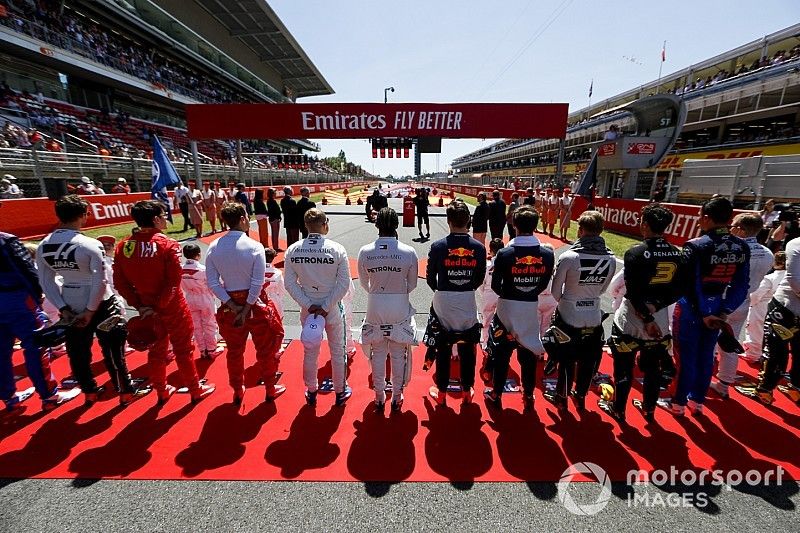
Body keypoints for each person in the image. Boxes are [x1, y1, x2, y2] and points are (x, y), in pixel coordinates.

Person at [37, 195, 151, 406]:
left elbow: (46, 282)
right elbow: (101, 281)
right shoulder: (90, 244)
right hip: (101, 303)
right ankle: (125, 390)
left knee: (77, 351)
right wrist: (90, 310)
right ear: (82, 215)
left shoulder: (43, 245)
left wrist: (63, 308)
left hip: (69, 302)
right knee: (113, 350)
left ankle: (89, 391)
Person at [114, 200, 215, 405]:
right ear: (156, 219)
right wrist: (160, 305)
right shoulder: (167, 244)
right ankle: (195, 390)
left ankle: (161, 390)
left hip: (146, 308)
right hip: (171, 307)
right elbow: (173, 281)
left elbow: (120, 283)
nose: (166, 218)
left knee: (157, 351)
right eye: (163, 215)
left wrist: (140, 306)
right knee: (183, 349)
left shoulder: (124, 246)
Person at [601, 204, 685, 423]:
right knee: (653, 368)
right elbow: (679, 290)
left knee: (623, 368)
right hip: (659, 319)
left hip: (631, 318)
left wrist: (646, 315)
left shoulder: (635, 253)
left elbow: (634, 290)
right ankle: (649, 409)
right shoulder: (678, 254)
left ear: (645, 224)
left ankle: (619, 409)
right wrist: (655, 308)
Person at [667, 197, 749, 416]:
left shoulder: (696, 245)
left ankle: (678, 403)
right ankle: (698, 401)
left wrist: (703, 312)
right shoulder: (741, 246)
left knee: (685, 356)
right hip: (718, 307)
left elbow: (689, 284)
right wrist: (723, 311)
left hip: (692, 309)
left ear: (705, 217)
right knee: (706, 356)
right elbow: (742, 285)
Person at [206, 202, 285, 404]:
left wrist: (233, 306)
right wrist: (247, 307)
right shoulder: (254, 246)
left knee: (234, 352)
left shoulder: (214, 247)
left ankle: (238, 389)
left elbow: (213, 282)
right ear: (242, 219)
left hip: (229, 306)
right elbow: (258, 282)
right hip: (255, 305)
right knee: (265, 350)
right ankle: (269, 388)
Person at [483, 206, 554, 410]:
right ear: (535, 225)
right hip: (531, 305)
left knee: (501, 354)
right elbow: (542, 284)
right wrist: (527, 292)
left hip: (506, 308)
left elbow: (496, 286)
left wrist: (512, 293)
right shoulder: (547, 255)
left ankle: (496, 394)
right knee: (529, 353)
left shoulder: (504, 254)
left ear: (514, 225)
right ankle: (529, 395)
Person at [545, 210, 616, 412]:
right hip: (593, 312)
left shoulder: (569, 256)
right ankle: (581, 395)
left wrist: (569, 301)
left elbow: (555, 290)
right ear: (601, 231)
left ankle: (561, 396)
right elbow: (603, 290)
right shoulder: (611, 259)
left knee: (567, 359)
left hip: (569, 313)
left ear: (581, 230)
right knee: (587, 361)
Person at [284, 208, 352, 407]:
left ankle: (311, 390)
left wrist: (309, 305)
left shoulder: (293, 249)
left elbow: (290, 284)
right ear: (325, 225)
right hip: (331, 308)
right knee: (338, 352)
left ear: (306, 226)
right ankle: (340, 391)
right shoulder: (337, 249)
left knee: (310, 352)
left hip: (309, 309)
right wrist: (326, 305)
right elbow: (343, 284)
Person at [0, 231, 75, 412]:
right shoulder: (6, 240)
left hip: (10, 300)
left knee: (1, 353)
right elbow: (27, 269)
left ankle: (10, 398)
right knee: (36, 346)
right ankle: (50, 396)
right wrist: (38, 296)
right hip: (17, 300)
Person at [357, 207, 418, 412]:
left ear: (377, 225)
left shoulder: (365, 251)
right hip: (399, 304)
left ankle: (379, 397)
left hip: (375, 304)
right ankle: (397, 397)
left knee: (378, 353)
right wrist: (397, 290)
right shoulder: (409, 251)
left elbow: (364, 283)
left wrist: (379, 290)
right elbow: (413, 285)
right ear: (397, 225)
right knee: (399, 354)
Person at [426, 200, 487, 405]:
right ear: (468, 221)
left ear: (448, 221)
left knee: (443, 345)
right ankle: (467, 390)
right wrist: (465, 287)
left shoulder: (437, 246)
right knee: (468, 345)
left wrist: (443, 290)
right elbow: (479, 277)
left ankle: (442, 393)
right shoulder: (478, 248)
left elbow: (429, 277)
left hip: (443, 297)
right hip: (467, 296)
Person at [710, 213, 773, 398]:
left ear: (740, 229)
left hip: (722, 300)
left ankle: (700, 378)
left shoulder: (732, 249)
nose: (730, 229)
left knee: (706, 340)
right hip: (744, 301)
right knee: (730, 342)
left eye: (733, 226)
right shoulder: (768, 254)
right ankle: (723, 383)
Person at [736, 237, 800, 405]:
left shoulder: (796, 243)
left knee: (775, 349)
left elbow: (795, 281)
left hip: (785, 307)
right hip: (788, 306)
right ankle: (795, 387)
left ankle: (764, 390)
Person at [181, 244, 222, 360]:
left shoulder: (180, 269)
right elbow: (213, 285)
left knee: (196, 326)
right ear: (198, 255)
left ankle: (203, 349)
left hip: (189, 298)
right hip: (204, 298)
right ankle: (211, 349)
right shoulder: (203, 269)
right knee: (209, 324)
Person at [743, 251, 786, 362]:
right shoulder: (789, 277)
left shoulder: (770, 278)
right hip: (780, 309)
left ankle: (753, 354)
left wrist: (750, 303)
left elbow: (757, 295)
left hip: (762, 307)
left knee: (755, 331)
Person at [479, 238, 505, 344]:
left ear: (491, 250)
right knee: (502, 321)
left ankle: (485, 342)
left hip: (489, 294)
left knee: (486, 319)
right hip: (502, 295)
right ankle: (499, 342)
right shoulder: (506, 264)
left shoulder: (487, 265)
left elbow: (481, 283)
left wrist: (484, 293)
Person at [263, 247, 284, 318]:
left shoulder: (255, 271)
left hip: (258, 300)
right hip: (274, 300)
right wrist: (278, 298)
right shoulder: (278, 273)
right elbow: (281, 290)